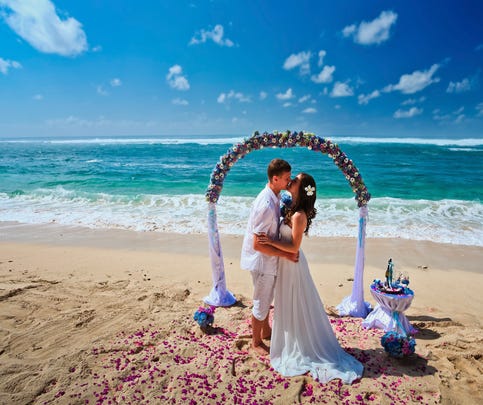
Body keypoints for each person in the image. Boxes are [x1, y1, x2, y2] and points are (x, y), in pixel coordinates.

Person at [258, 173, 363, 384]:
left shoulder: (299, 215)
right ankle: (292, 337)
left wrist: (270, 241)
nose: (292, 181)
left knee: (296, 301)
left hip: (292, 263)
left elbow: (294, 247)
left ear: (302, 188)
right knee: (288, 302)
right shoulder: (291, 208)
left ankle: (303, 344)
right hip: (285, 263)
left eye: (296, 180)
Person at [240, 158, 298, 356]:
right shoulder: (266, 204)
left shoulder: (275, 196)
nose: (289, 181)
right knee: (261, 301)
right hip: (262, 262)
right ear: (275, 179)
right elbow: (257, 244)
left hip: (267, 260)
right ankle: (256, 342)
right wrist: (285, 254)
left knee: (266, 299)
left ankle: (265, 331)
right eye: (287, 178)